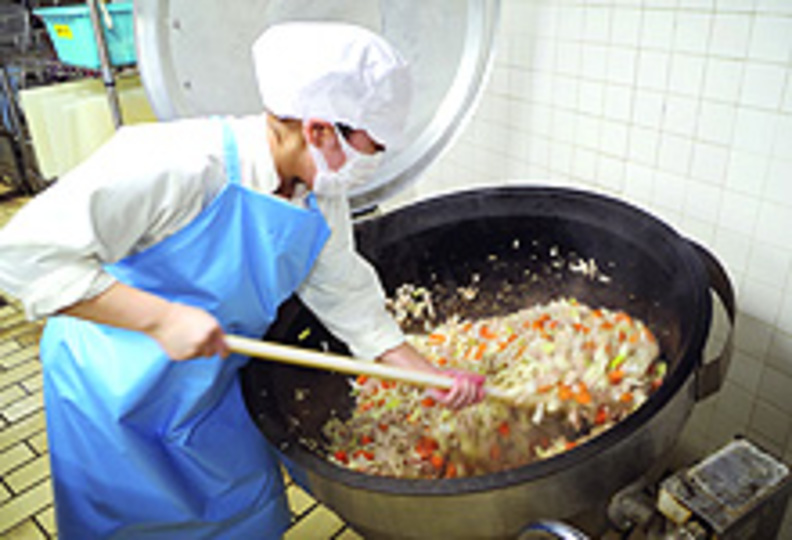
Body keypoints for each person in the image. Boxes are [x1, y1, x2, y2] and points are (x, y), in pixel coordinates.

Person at [0, 21, 485, 539]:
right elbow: (22, 256)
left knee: (244, 518)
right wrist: (160, 318)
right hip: (113, 397)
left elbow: (347, 294)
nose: (377, 162)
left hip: (211, 390)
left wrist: (429, 374)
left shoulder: (319, 193)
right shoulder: (178, 162)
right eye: (373, 147)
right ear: (319, 130)